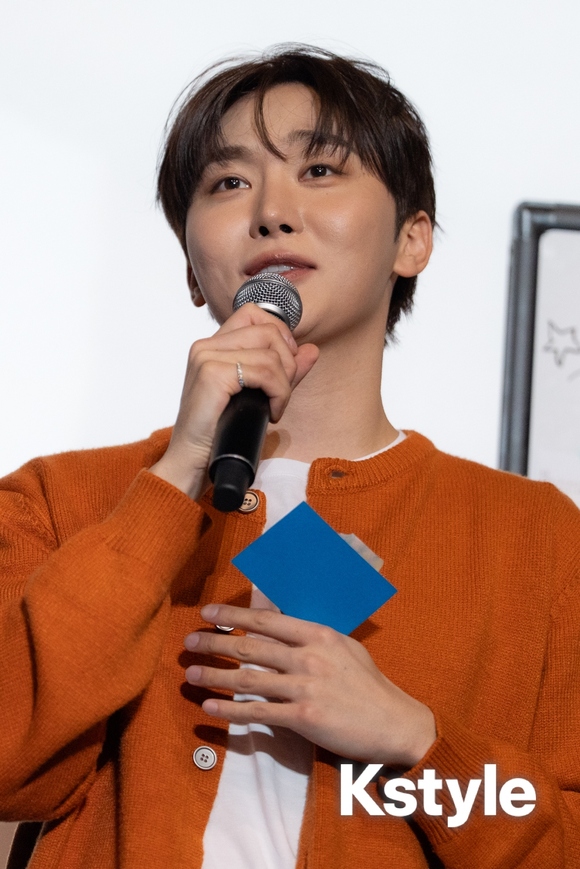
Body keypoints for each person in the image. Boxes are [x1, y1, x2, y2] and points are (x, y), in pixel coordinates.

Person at [1, 44, 579, 869]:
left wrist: (417, 743)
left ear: (412, 240)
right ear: (191, 269)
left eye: (320, 170)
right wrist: (177, 472)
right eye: (229, 182)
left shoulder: (537, 537)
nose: (272, 211)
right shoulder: (59, 501)